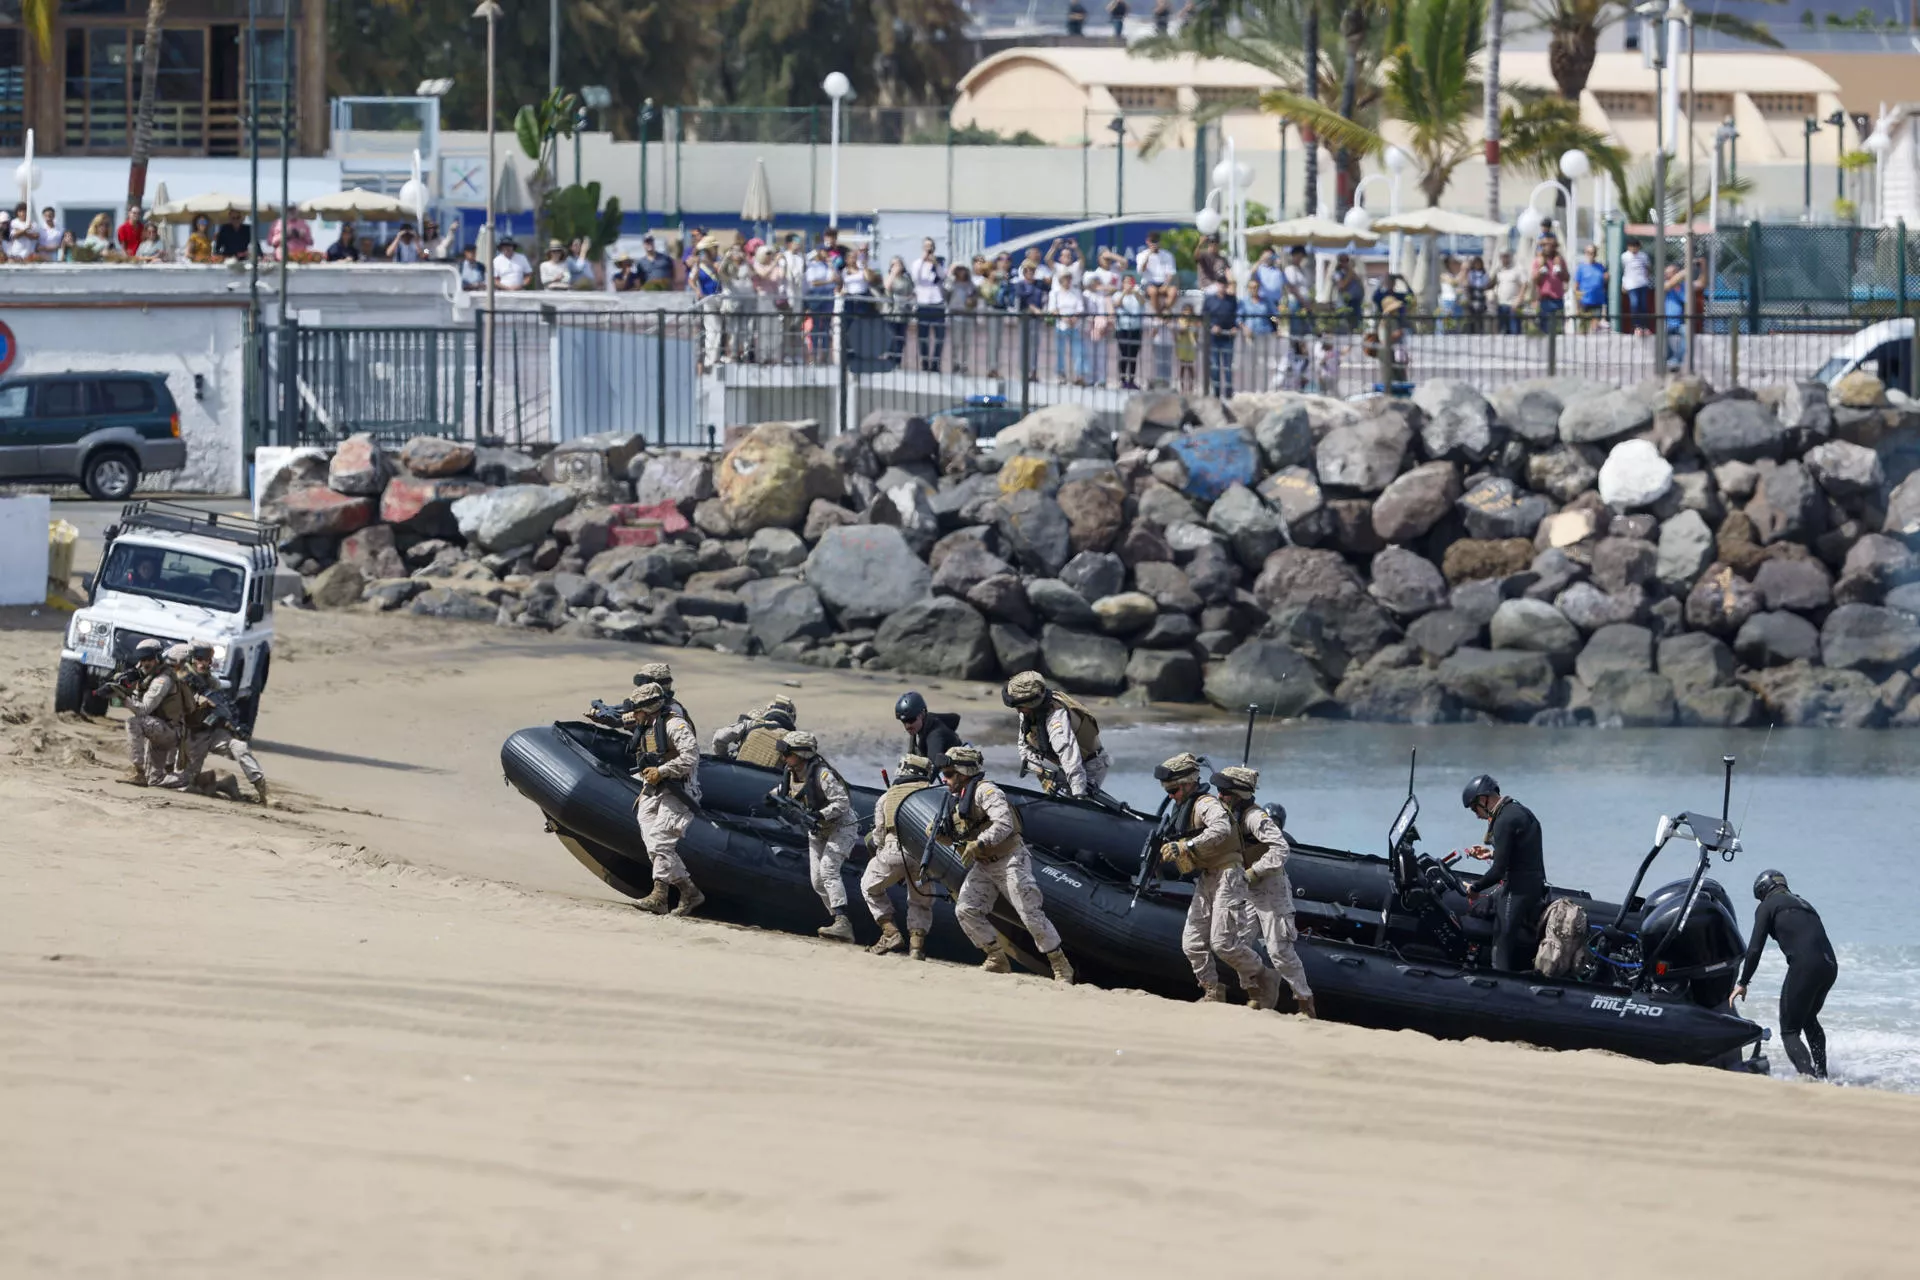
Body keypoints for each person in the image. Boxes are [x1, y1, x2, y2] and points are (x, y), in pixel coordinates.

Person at [1153, 754, 1281, 1009]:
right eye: (1168, 791)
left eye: (1175, 790)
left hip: (1228, 875)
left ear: (1189, 783)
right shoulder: (1183, 807)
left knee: (1223, 943)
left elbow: (1221, 829)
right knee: (1191, 943)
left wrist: (1186, 846)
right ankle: (1212, 989)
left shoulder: (1205, 804)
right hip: (1208, 876)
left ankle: (1265, 975)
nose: (1171, 796)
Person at [937, 746, 1074, 982]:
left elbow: (1004, 824)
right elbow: (958, 834)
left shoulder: (987, 792)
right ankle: (996, 957)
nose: (945, 779)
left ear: (963, 772)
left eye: (949, 774)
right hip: (984, 865)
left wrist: (979, 843)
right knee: (966, 909)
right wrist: (941, 836)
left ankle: (1060, 966)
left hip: (1009, 860)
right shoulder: (954, 801)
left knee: (1030, 913)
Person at [1216, 767, 1315, 1016]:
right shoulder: (1230, 816)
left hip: (1270, 886)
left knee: (1279, 950)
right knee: (1236, 942)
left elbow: (1281, 849)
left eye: (1225, 792)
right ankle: (1258, 991)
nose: (1220, 796)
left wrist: (1255, 871)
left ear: (1238, 795)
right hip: (1247, 887)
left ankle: (1305, 1004)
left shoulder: (1254, 818)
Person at [1732, 870, 1838, 1079]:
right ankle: (1823, 1075)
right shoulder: (1804, 904)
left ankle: (1808, 1078)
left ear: (1763, 891)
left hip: (1805, 966)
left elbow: (1754, 949)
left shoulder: (1768, 906)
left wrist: (1743, 982)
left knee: (1790, 1031)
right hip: (1830, 965)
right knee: (1808, 1019)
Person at [617, 681, 705, 917]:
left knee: (661, 839)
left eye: (636, 709)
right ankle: (689, 891)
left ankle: (660, 896)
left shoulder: (674, 724)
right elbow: (619, 719)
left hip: (678, 789)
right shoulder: (645, 724)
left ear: (648, 707)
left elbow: (691, 756)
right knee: (653, 844)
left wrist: (663, 771)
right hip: (652, 789)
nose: (633, 714)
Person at [771, 731, 859, 942]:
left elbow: (842, 803)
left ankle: (842, 921)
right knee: (817, 880)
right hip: (818, 830)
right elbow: (785, 791)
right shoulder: (791, 772)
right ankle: (837, 923)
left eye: (788, 753)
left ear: (801, 754)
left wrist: (820, 814)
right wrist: (771, 799)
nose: (784, 757)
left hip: (841, 826)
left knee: (828, 869)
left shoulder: (822, 775)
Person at [1459, 774, 1546, 973]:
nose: (1476, 814)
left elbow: (1498, 872)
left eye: (1474, 808)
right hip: (1532, 883)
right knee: (1479, 909)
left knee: (1501, 942)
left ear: (1484, 799)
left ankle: (1501, 979)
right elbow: (1521, 853)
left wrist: (1475, 887)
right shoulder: (1516, 810)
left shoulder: (1504, 821)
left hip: (1518, 891)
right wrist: (1491, 854)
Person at [861, 753, 940, 959]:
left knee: (869, 887)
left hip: (894, 850)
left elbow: (878, 835)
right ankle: (916, 947)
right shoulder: (935, 793)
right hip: (926, 856)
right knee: (920, 900)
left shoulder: (888, 796)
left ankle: (890, 932)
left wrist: (881, 852)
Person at [171, 643, 269, 802]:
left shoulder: (211, 683)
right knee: (183, 786)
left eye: (207, 660)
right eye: (199, 659)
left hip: (211, 732)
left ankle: (264, 792)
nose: (203, 663)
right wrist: (197, 700)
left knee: (240, 747)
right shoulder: (180, 679)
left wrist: (230, 723)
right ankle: (221, 784)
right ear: (192, 659)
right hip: (190, 735)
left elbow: (221, 707)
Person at [1003, 670, 1109, 799]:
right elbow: (1024, 743)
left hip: (1091, 764)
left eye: (1019, 705)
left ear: (1031, 703)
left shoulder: (1056, 718)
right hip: (1062, 764)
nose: (1017, 709)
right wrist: (1037, 769)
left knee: (1077, 802)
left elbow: (1069, 756)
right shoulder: (1027, 713)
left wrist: (1078, 794)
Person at [122, 639, 185, 787]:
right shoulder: (145, 675)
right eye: (142, 659)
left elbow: (144, 709)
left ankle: (137, 771)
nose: (145, 663)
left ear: (157, 658)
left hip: (169, 731)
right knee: (155, 780)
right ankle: (201, 781)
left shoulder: (162, 679)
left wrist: (124, 699)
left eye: (148, 659)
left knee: (133, 722)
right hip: (158, 730)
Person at [710, 695, 796, 765]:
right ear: (792, 718)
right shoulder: (791, 739)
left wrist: (724, 758)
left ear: (767, 710)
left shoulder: (751, 724)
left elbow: (719, 738)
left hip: (739, 774)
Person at [909, 237, 947, 371]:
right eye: (926, 247)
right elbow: (915, 277)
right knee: (923, 335)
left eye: (930, 247)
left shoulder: (939, 262)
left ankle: (936, 362)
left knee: (940, 335)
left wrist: (935, 264)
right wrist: (923, 260)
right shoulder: (917, 263)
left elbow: (943, 277)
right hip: (923, 303)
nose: (928, 249)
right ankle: (925, 361)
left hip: (937, 302)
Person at [895, 690, 961, 763]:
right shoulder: (922, 724)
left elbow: (933, 764)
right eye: (904, 721)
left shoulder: (935, 735)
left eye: (911, 720)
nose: (907, 726)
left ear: (922, 714)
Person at [1202, 276, 1239, 397]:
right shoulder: (1209, 300)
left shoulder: (1232, 300)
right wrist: (1212, 326)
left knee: (1228, 367)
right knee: (1215, 367)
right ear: (1217, 285)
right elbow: (1203, 318)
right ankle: (1216, 393)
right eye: (1220, 284)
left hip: (1228, 337)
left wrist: (1235, 327)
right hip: (1214, 339)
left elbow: (1237, 316)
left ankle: (1229, 393)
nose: (1222, 287)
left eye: (1224, 284)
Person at [1533, 241, 1569, 332]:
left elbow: (1567, 278)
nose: (1548, 248)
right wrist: (1541, 271)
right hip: (1545, 300)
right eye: (1545, 246)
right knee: (1545, 329)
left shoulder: (1560, 261)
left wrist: (1560, 271)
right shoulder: (1538, 261)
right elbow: (1535, 280)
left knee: (1558, 329)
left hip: (1558, 299)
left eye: (1551, 246)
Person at [1619, 237, 1652, 334]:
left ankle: (1645, 326)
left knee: (1644, 306)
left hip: (1642, 283)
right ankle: (1637, 326)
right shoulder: (1625, 256)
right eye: (1631, 247)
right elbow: (1624, 270)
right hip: (1631, 285)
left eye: (1635, 247)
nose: (1633, 249)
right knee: (1635, 305)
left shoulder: (1643, 256)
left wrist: (1646, 278)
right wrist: (1623, 284)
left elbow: (1648, 268)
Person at [1573, 242, 1607, 331]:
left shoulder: (1601, 267)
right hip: (1584, 302)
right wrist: (1577, 305)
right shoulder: (1581, 267)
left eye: (1592, 252)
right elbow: (1576, 287)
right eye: (1588, 252)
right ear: (1585, 253)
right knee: (1583, 329)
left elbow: (1604, 285)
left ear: (1596, 254)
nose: (1590, 255)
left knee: (1595, 329)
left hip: (1597, 302)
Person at [1493, 251, 1525, 335]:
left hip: (1513, 305)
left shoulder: (1517, 269)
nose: (1504, 259)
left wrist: (1519, 299)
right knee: (1502, 332)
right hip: (1501, 305)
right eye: (1503, 257)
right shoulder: (1499, 271)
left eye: (1506, 256)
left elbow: (1524, 284)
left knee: (1515, 331)